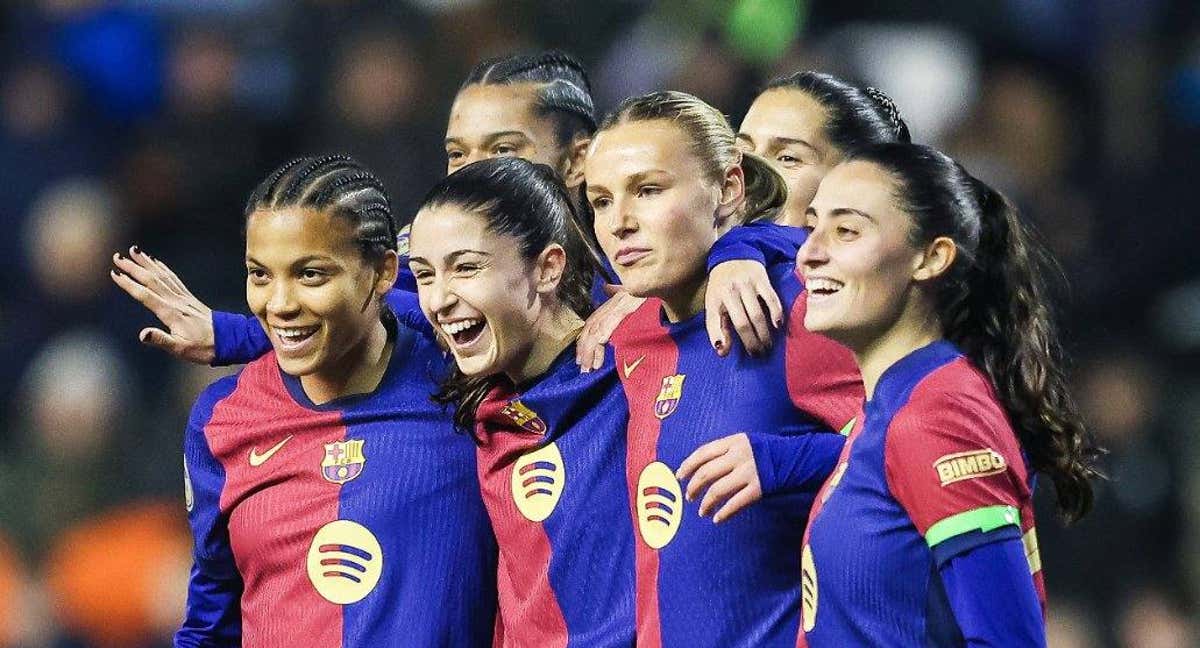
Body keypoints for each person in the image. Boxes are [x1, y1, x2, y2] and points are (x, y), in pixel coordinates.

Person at [111, 50, 784, 370]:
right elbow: (356, 313)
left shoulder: (639, 248)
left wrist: (737, 254)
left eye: (504, 148)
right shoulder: (430, 269)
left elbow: (774, 241)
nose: (476, 172)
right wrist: (228, 334)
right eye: (458, 153)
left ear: (576, 160)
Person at [145, 155, 497, 646]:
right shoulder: (222, 417)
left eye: (311, 275)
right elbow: (212, 620)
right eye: (260, 275)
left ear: (382, 273)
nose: (280, 304)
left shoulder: (467, 387)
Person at [584, 90, 862, 646]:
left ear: (729, 189)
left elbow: (920, 446)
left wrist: (789, 461)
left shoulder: (796, 306)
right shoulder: (627, 332)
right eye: (600, 201)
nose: (619, 223)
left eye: (648, 190)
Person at [796, 143, 1099, 646]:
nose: (810, 252)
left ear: (931, 257)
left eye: (846, 230)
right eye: (813, 226)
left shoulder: (938, 414)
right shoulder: (892, 408)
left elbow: (1009, 640)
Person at [409, 156, 636, 646]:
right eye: (424, 275)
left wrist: (735, 256)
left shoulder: (633, 368)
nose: (439, 299)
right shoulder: (482, 409)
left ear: (548, 268)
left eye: (466, 267)